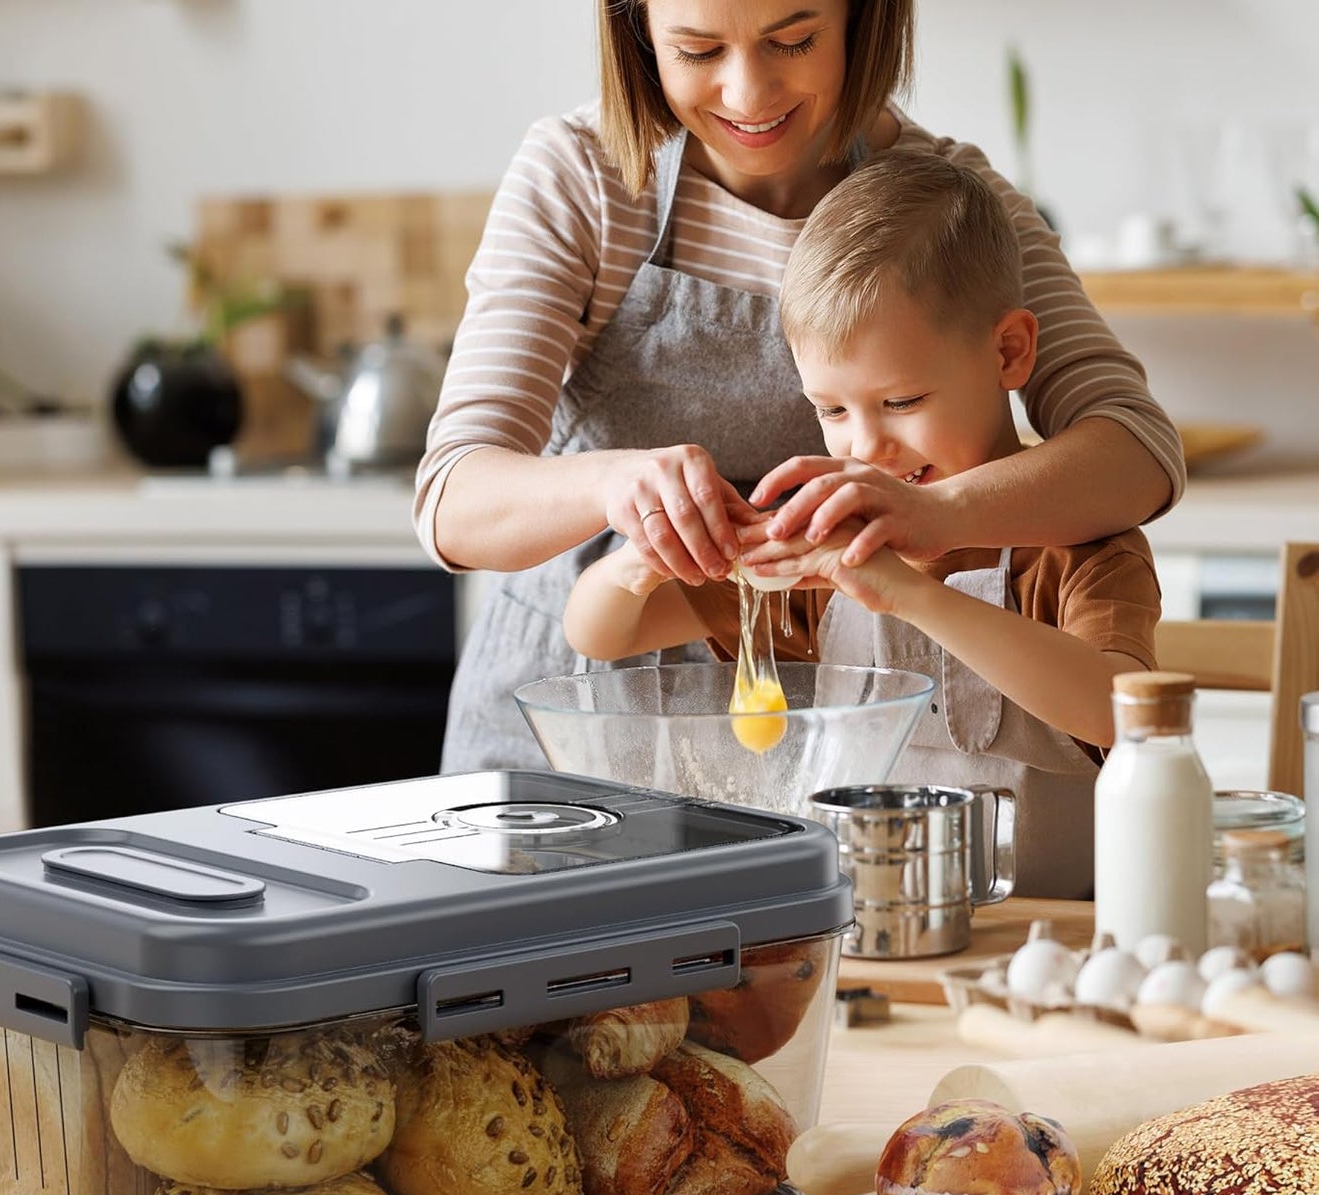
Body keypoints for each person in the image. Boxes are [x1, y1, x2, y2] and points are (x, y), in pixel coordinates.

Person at [417, 0, 1182, 774]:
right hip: (564, 732)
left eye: (793, 39)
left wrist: (931, 517)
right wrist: (619, 485)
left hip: (790, 760)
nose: (748, 94)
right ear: (638, 38)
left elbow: (1137, 451)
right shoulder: (584, 176)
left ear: (863, 20)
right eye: (696, 50)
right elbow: (452, 498)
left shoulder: (943, 208)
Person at [564, 150, 1161, 897]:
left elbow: (1120, 713)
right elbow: (600, 633)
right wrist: (645, 555)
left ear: (1008, 351)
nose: (865, 445)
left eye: (903, 402)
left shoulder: (1078, 540)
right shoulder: (822, 547)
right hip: (870, 949)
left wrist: (909, 593)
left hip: (1057, 953)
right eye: (833, 410)